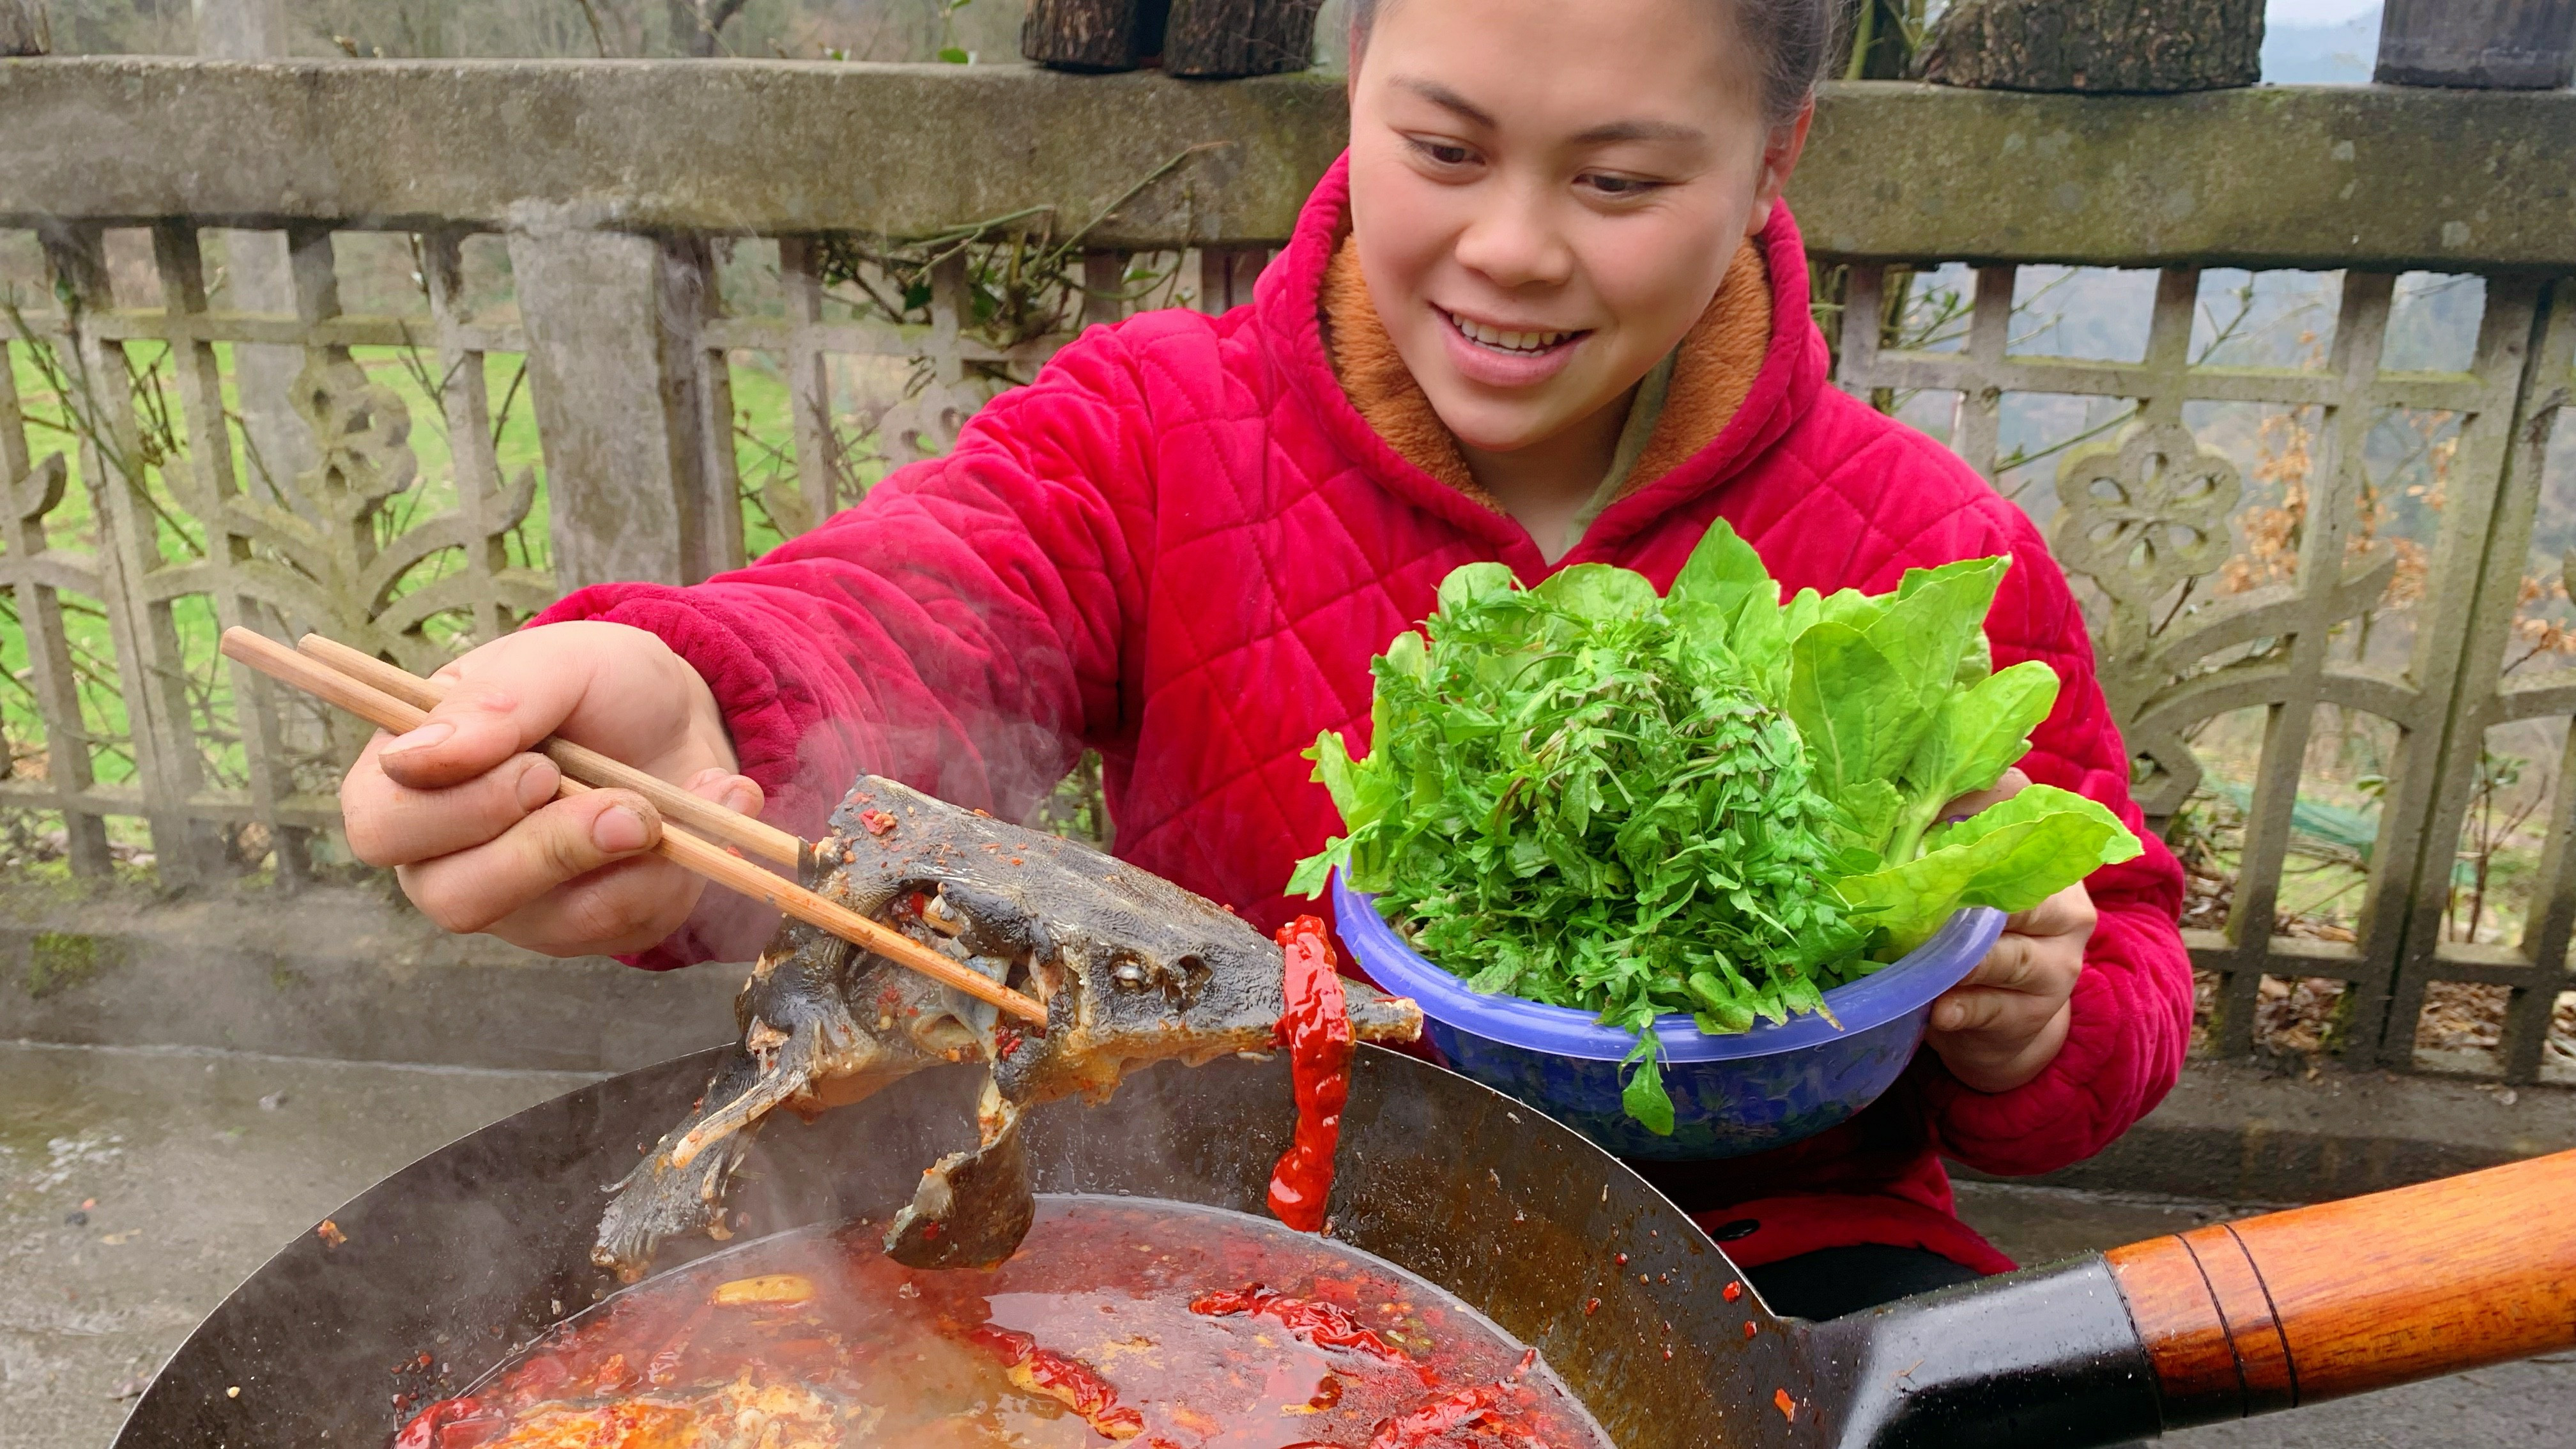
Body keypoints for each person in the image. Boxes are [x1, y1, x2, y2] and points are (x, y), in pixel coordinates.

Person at [338, 0, 2189, 1321]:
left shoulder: (1926, 551)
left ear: (1779, 153)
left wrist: (2041, 1016)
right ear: (1355, 72)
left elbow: (2120, 946)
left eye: (1620, 180)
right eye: (1444, 148)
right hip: (1230, 1233)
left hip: (1765, 1260)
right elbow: (920, 598)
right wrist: (711, 704)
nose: (1514, 248)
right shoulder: (1160, 427)